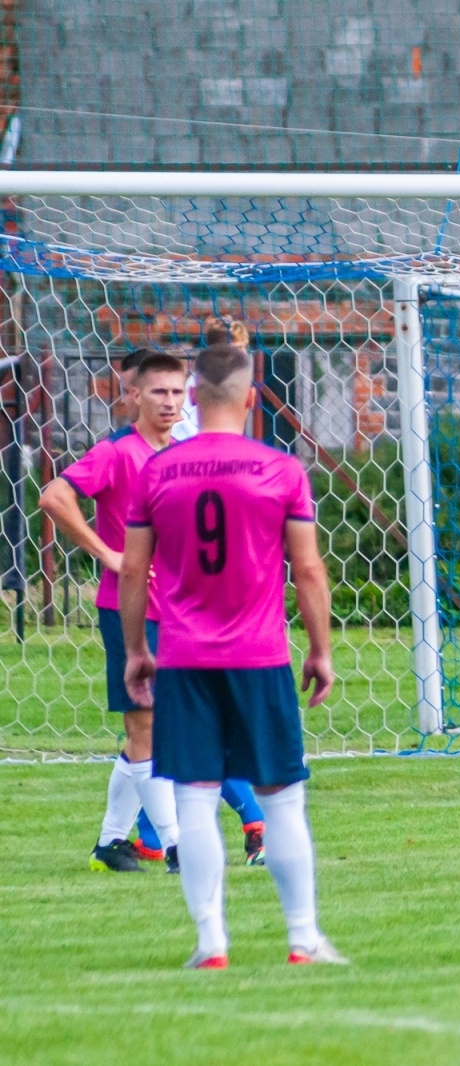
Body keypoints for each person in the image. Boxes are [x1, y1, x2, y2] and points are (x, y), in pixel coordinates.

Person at [120, 341, 344, 969]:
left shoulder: (157, 471)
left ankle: (211, 944)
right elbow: (307, 569)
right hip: (260, 658)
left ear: (192, 397)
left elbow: (133, 573)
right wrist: (320, 650)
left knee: (193, 798)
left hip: (185, 659)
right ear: (250, 400)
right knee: (282, 799)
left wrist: (138, 650)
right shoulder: (280, 470)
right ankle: (303, 939)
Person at [41, 349, 189, 874]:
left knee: (152, 728)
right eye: (159, 392)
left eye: (177, 391)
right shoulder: (117, 453)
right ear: (134, 395)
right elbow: (54, 496)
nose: (170, 402)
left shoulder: (179, 453)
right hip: (129, 608)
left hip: (177, 608)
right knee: (146, 724)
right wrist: (108, 554)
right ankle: (177, 846)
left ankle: (109, 843)